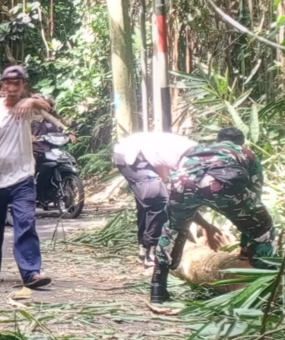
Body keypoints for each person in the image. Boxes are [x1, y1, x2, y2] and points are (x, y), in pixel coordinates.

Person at [150, 127, 276, 303]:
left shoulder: (196, 150)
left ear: (217, 140)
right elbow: (255, 195)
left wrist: (192, 222)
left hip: (181, 185)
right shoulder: (245, 152)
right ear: (241, 142)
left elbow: (184, 185)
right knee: (263, 225)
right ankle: (264, 279)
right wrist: (245, 246)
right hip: (222, 185)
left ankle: (157, 287)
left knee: (173, 230)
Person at [0, 66, 53, 291]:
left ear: (23, 85)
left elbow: (48, 106)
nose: (13, 87)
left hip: (22, 177)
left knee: (26, 222)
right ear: (2, 85)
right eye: (8, 83)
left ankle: (31, 272)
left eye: (17, 83)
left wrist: (31, 101)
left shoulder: (28, 107)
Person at [113, 130, 196, 267]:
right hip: (130, 156)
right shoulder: (179, 156)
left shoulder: (193, 154)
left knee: (148, 203)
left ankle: (143, 248)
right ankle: (152, 252)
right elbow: (165, 174)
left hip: (143, 155)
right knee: (159, 200)